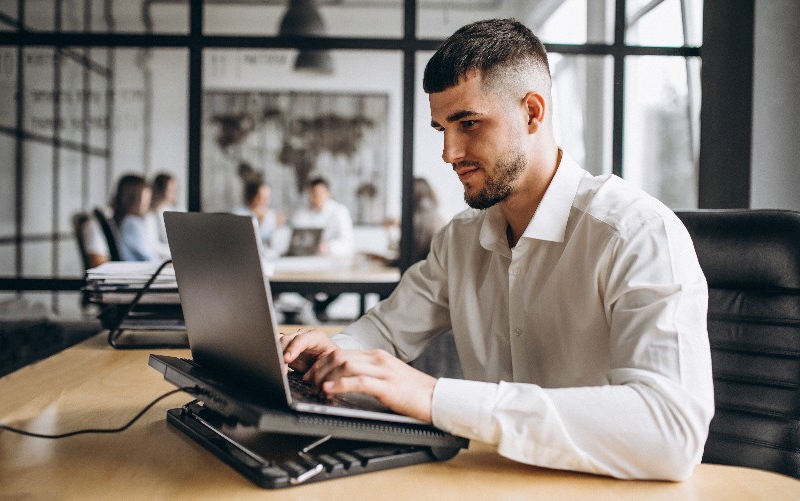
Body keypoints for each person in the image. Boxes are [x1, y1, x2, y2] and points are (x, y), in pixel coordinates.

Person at [281, 19, 714, 481]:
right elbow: (385, 331)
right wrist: (329, 354)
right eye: (441, 128)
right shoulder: (461, 240)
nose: (448, 152)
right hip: (490, 483)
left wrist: (434, 398)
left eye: (468, 123)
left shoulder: (636, 233)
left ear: (532, 112)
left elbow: (672, 431)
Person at [290, 177, 354, 258]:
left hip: (334, 259)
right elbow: (295, 241)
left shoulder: (340, 211)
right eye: (312, 194)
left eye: (319, 194)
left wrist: (327, 247)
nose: (315, 198)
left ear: (329, 194)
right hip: (307, 259)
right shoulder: (301, 213)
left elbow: (347, 244)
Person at [112, 174, 159, 261]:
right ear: (133, 198)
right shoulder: (132, 223)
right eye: (145, 198)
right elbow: (149, 258)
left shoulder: (122, 220)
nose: (148, 203)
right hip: (139, 271)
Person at [233, 178, 283, 250]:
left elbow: (276, 243)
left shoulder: (271, 216)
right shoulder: (239, 215)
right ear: (254, 197)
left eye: (267, 197)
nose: (266, 201)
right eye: (263, 197)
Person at [145, 172, 178, 260]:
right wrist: (177, 253)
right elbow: (153, 246)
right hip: (162, 259)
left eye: (176, 190)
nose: (175, 193)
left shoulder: (177, 210)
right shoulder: (151, 214)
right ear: (161, 190)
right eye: (171, 190)